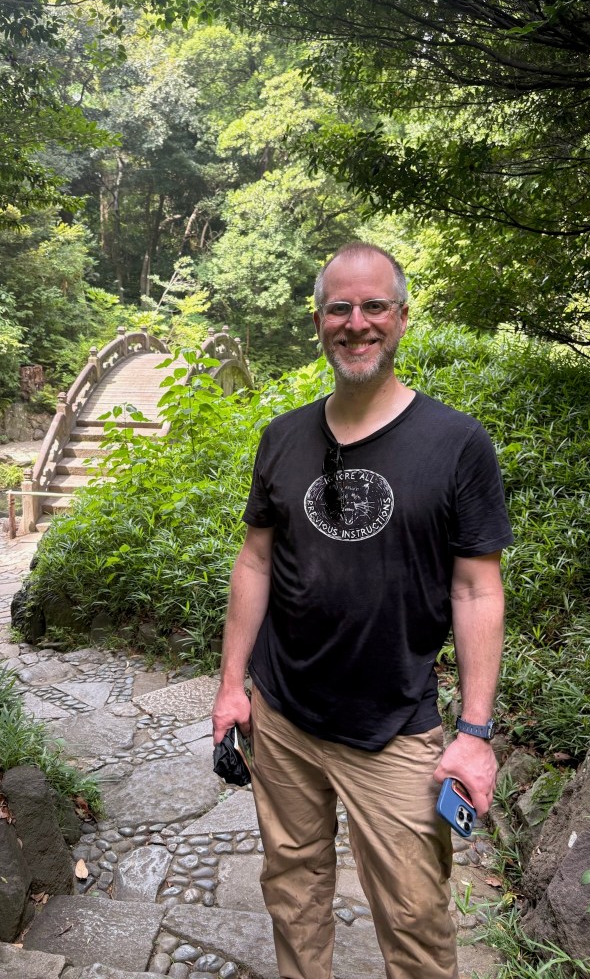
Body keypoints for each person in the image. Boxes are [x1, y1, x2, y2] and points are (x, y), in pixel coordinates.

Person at [211, 242, 513, 979]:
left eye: (374, 305)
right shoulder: (283, 437)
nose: (356, 323)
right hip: (283, 717)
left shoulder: (456, 443)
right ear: (318, 321)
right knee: (292, 891)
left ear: (402, 318)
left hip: (396, 728)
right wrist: (231, 687)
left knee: (414, 922)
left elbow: (477, 589)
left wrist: (474, 732)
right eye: (339, 308)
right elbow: (255, 561)